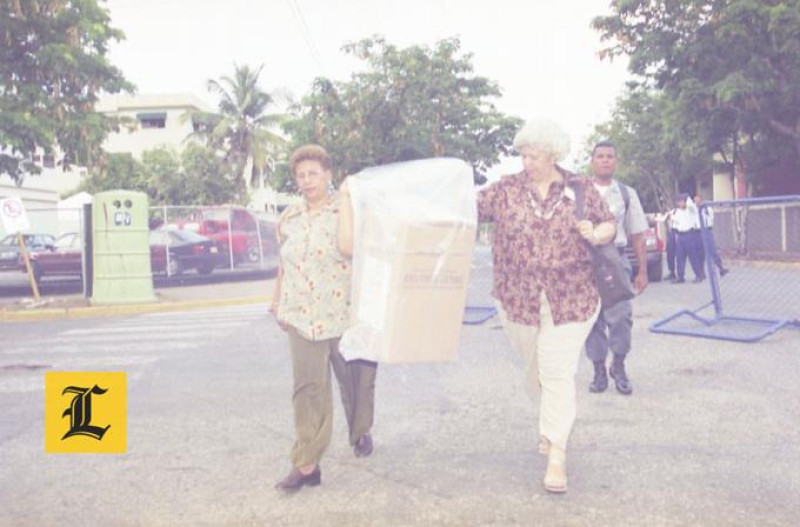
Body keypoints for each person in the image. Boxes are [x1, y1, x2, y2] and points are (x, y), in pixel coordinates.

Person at [477, 120, 616, 494]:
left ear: (553, 155)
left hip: (572, 297)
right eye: (522, 155)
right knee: (534, 370)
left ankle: (557, 453)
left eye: (534, 155)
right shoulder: (505, 190)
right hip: (516, 298)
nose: (527, 162)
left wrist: (597, 232)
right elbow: (466, 209)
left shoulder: (580, 188)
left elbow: (609, 225)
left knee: (556, 372)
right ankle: (550, 422)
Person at [271, 144, 378, 493]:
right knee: (308, 389)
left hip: (343, 315)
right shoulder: (289, 217)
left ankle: (360, 430)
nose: (306, 181)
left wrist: (346, 199)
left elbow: (348, 248)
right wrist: (276, 302)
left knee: (356, 383)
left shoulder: (346, 209)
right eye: (300, 175)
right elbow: (284, 264)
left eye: (313, 173)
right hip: (301, 314)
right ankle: (307, 464)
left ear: (328, 175)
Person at [584, 141, 649, 397]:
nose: (605, 160)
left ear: (616, 162)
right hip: (585, 261)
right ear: (592, 161)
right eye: (600, 156)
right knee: (591, 319)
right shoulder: (577, 192)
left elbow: (637, 233)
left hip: (616, 259)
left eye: (610, 156)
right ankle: (599, 369)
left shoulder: (625, 193)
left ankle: (618, 367)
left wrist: (642, 271)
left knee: (621, 317)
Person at [672, 194, 705, 284]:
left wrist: (687, 198)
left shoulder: (691, 209)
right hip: (681, 235)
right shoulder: (678, 211)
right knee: (679, 257)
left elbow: (690, 205)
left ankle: (698, 275)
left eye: (681, 201)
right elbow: (675, 221)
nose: (679, 204)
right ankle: (680, 276)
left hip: (689, 234)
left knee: (693, 256)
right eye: (678, 202)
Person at [694, 194, 729, 277]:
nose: (697, 202)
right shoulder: (693, 210)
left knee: (712, 250)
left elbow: (710, 219)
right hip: (697, 231)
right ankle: (701, 272)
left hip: (706, 230)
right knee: (700, 252)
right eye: (695, 201)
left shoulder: (707, 209)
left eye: (698, 200)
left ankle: (721, 268)